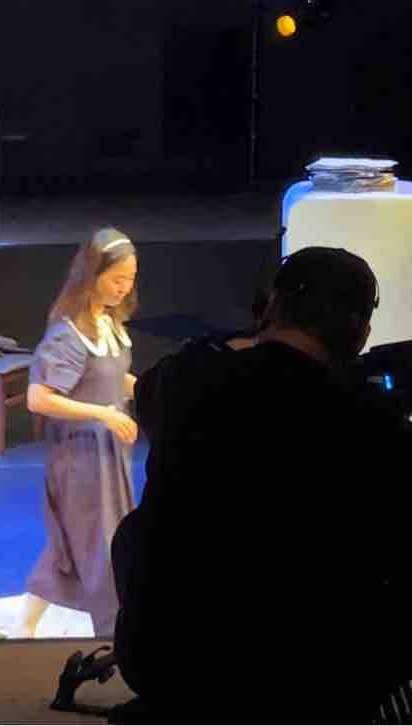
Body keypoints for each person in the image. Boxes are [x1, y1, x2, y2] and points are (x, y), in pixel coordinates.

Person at [112, 246, 408, 722]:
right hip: (301, 675)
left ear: (272, 305)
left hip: (161, 655)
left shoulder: (185, 384)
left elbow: (154, 388)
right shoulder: (369, 419)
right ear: (359, 332)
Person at [9, 227, 141, 638]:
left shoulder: (109, 323)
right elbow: (39, 398)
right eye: (116, 279)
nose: (124, 288)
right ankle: (113, 632)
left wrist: (153, 390)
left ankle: (25, 627)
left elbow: (113, 377)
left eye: (130, 279)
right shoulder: (68, 335)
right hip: (80, 458)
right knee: (103, 546)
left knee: (73, 545)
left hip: (109, 453)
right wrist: (102, 414)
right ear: (92, 276)